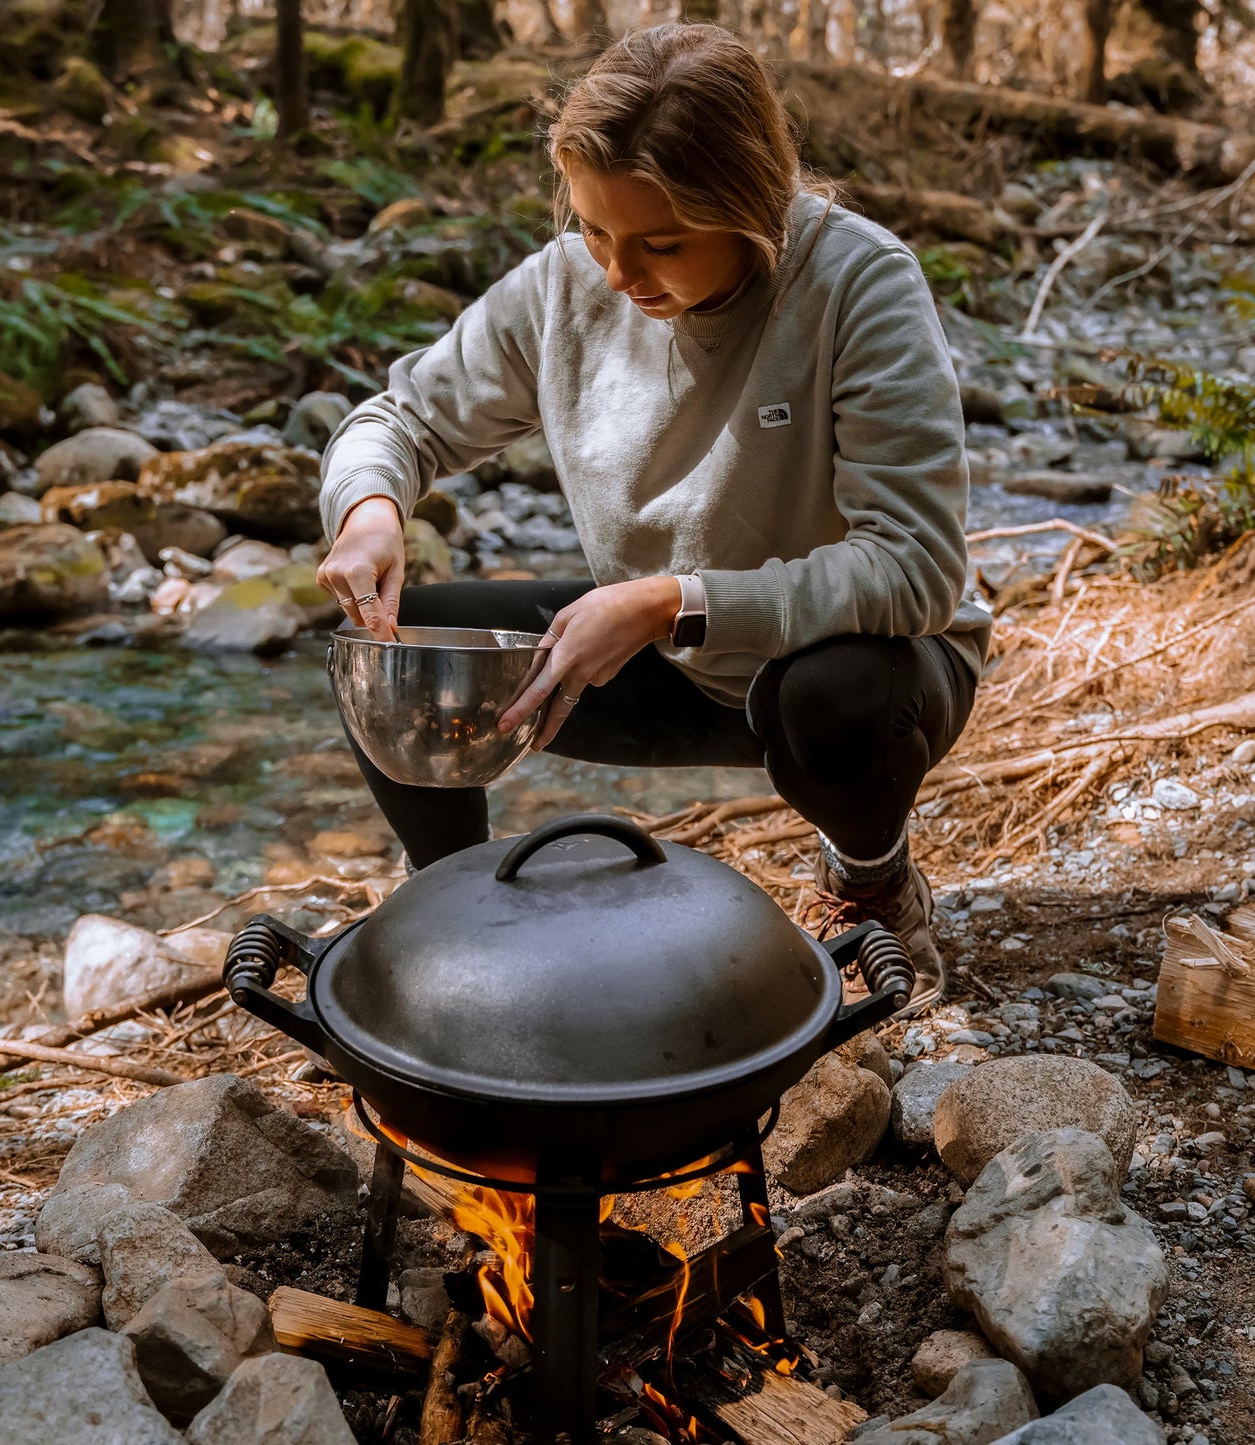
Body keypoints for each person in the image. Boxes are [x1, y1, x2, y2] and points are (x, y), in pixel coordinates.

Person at [314, 21, 991, 1014]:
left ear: (750, 205)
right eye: (593, 229)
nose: (619, 274)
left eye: (661, 243)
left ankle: (871, 883)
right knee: (397, 651)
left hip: (865, 671)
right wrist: (369, 507)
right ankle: (453, 921)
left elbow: (915, 568)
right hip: (661, 659)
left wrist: (670, 600)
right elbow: (396, 418)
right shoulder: (564, 287)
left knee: (834, 690)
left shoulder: (856, 282)